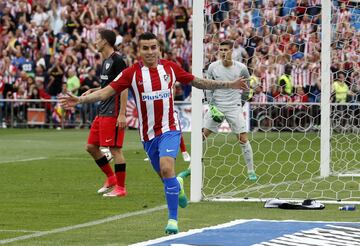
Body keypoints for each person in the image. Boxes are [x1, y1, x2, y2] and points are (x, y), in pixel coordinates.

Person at [59, 32, 249, 234]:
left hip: (170, 128)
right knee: (166, 177)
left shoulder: (170, 68)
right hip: (148, 135)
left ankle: (173, 221)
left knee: (167, 168)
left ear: (159, 48)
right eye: (145, 48)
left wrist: (230, 84)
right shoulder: (131, 73)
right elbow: (107, 91)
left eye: (153, 47)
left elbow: (198, 82)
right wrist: (79, 100)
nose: (150, 52)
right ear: (139, 51)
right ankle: (178, 185)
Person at [180, 40, 257, 181]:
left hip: (234, 107)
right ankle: (191, 167)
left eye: (225, 49)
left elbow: (247, 89)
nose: (222, 52)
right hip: (217, 107)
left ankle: (251, 171)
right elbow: (209, 87)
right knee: (201, 136)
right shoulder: (213, 67)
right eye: (220, 49)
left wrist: (240, 103)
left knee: (243, 138)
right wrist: (212, 105)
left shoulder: (241, 68)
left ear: (231, 51)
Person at [82, 29, 129, 197]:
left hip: (113, 111)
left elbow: (123, 87)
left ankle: (121, 189)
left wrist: (122, 113)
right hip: (102, 110)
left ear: (106, 42)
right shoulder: (105, 61)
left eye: (98, 39)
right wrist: (93, 91)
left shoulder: (118, 61)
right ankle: (111, 178)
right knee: (91, 147)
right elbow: (107, 87)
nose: (95, 42)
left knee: (115, 150)